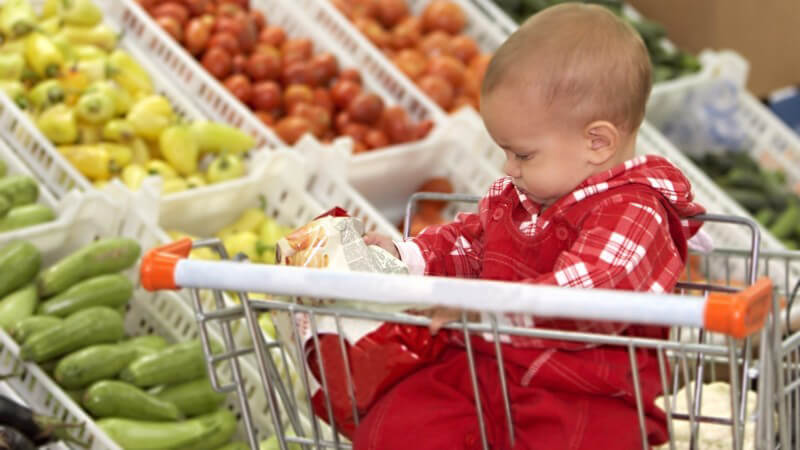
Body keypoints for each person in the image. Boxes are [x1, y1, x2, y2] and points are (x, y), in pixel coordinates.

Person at [356, 3, 706, 449]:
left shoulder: (635, 210)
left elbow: (591, 293)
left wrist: (485, 310)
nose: (509, 167)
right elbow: (469, 244)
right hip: (489, 370)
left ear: (596, 143)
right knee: (396, 425)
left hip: (583, 397)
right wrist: (403, 258)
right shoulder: (521, 198)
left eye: (522, 154)